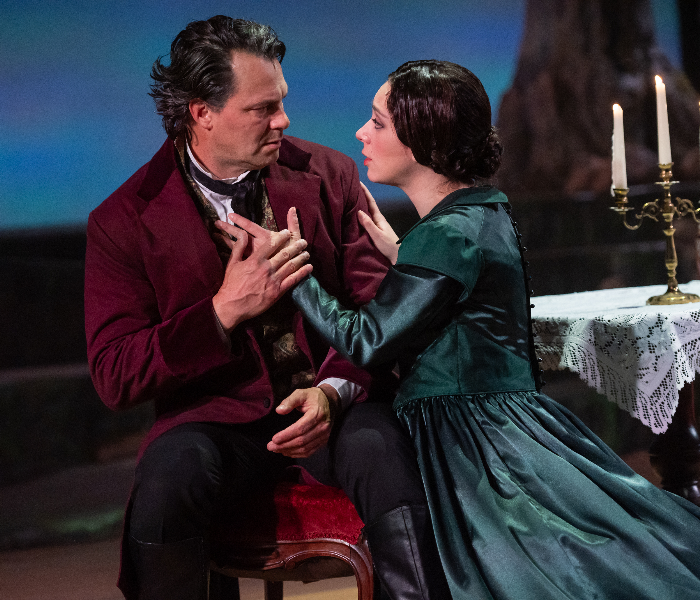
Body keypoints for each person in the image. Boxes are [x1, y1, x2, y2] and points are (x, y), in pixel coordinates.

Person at [261, 60, 700, 599]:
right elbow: (461, 301)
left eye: (377, 123)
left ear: (423, 139)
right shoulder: (477, 212)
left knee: (547, 574)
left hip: (479, 443)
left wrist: (292, 273)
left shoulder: (450, 233)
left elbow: (365, 341)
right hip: (501, 423)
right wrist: (405, 260)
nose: (361, 134)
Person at [84, 17, 450, 600]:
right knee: (167, 479)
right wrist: (222, 311)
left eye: (281, 102)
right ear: (201, 111)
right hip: (216, 425)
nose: (283, 120)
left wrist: (334, 393)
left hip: (334, 409)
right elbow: (115, 372)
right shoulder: (124, 221)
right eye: (263, 108)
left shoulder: (327, 175)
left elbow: (382, 313)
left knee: (385, 452)